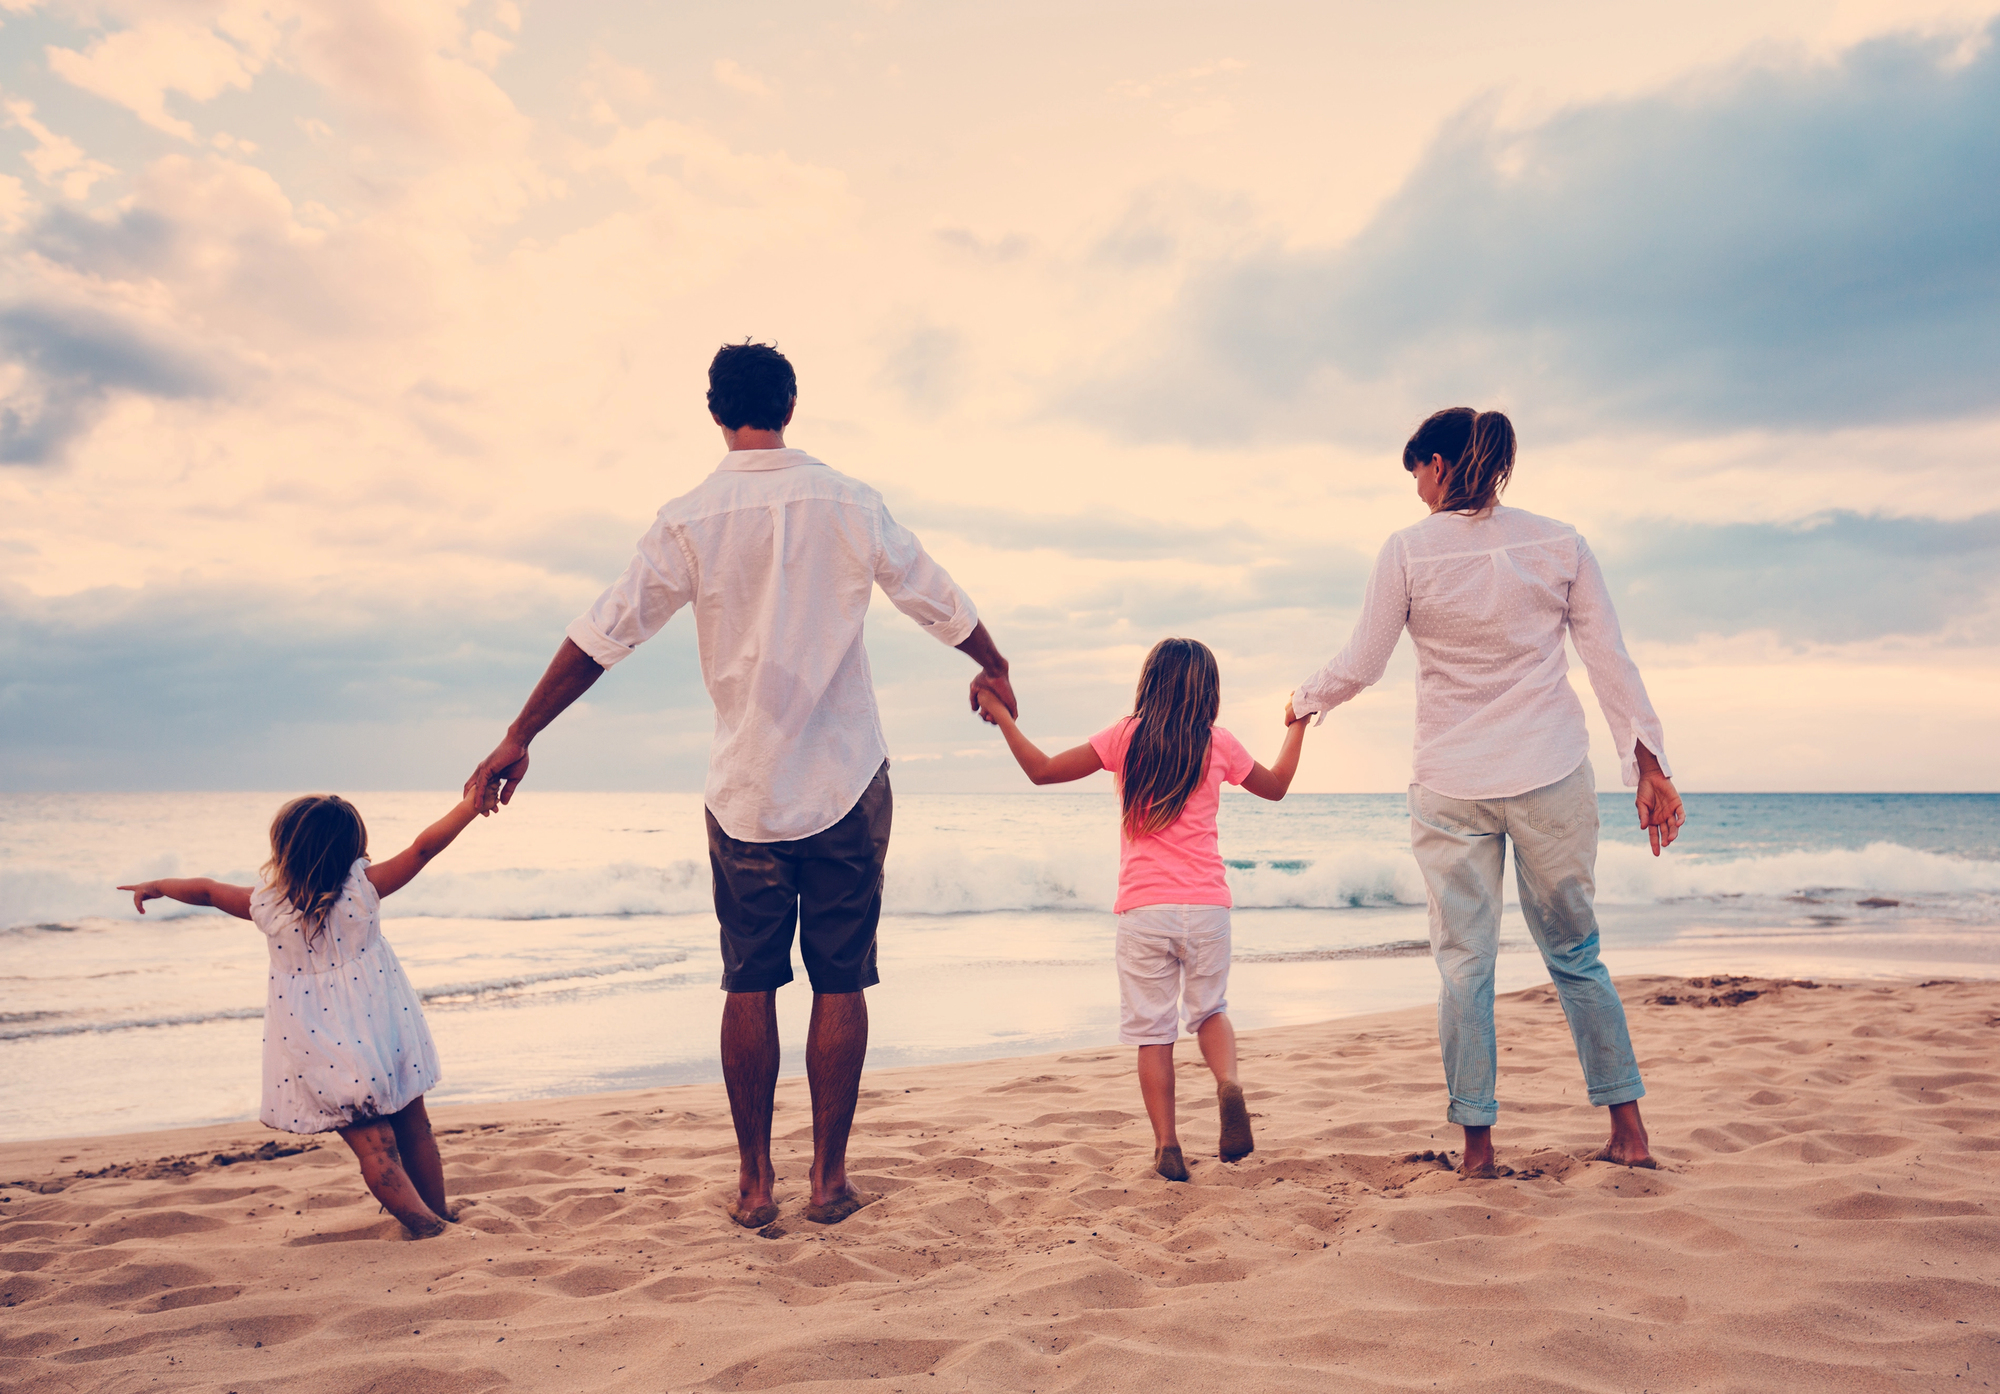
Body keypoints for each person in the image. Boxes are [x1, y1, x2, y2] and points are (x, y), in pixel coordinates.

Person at [464, 341, 1013, 1228]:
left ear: (716, 411)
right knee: (842, 982)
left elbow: (605, 635)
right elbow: (931, 592)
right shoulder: (848, 499)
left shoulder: (690, 517)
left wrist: (520, 734)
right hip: (845, 776)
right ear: (790, 403)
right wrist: (994, 662)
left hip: (746, 790)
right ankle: (828, 1181)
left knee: (748, 982)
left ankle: (756, 1185)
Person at [1288, 407, 1685, 1178]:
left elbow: (1362, 662)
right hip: (1551, 771)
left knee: (1465, 966)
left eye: (1416, 476)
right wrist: (1648, 762)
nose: (1417, 493)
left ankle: (1476, 1151)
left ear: (1436, 465)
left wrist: (1306, 699)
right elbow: (1609, 658)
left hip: (1451, 781)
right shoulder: (1559, 541)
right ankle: (1629, 1132)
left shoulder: (1408, 552)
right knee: (1576, 954)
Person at [977, 638, 1307, 1182]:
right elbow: (1276, 787)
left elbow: (1041, 770)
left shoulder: (1125, 737)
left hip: (1144, 909)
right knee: (1209, 1011)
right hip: (1206, 907)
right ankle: (1228, 1083)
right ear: (1210, 691)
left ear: (1149, 683)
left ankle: (1168, 1146)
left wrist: (1002, 718)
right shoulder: (1219, 744)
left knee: (1153, 1033)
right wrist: (1296, 723)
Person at [118, 792, 481, 1236]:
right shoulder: (363, 891)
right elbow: (424, 847)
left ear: (284, 848)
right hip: (383, 1030)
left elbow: (208, 891)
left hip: (318, 1044)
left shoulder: (268, 906)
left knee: (374, 1148)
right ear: (352, 845)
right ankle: (436, 1216)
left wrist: (158, 885)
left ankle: (425, 1225)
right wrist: (469, 806)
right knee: (413, 1124)